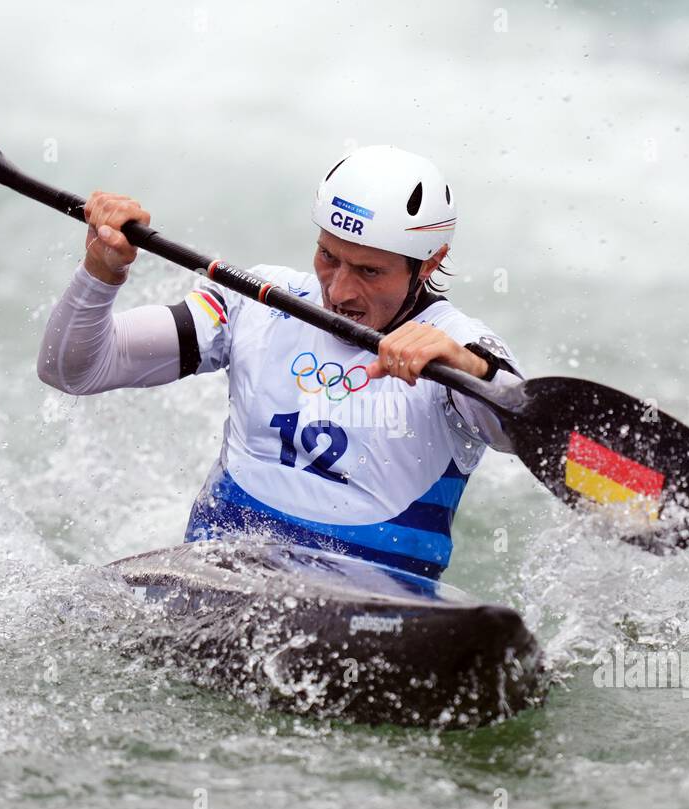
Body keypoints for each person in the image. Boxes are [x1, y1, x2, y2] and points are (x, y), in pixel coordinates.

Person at [38, 145, 522, 579]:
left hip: (375, 615)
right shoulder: (256, 300)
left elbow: (542, 443)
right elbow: (74, 370)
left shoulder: (464, 348)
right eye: (328, 256)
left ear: (431, 262)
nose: (339, 291)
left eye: (370, 271)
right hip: (218, 586)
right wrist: (103, 269)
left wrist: (469, 370)